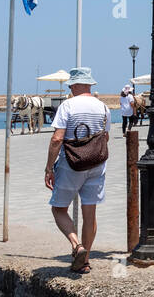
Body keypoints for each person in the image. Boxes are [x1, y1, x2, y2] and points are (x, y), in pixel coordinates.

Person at [44, 68, 110, 274]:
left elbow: (57, 139)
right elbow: (105, 137)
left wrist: (48, 168)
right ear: (89, 85)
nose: (70, 88)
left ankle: (76, 245)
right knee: (89, 213)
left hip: (71, 164)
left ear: (76, 85)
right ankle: (85, 260)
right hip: (97, 163)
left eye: (71, 85)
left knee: (58, 208)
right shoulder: (103, 107)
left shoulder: (68, 105)